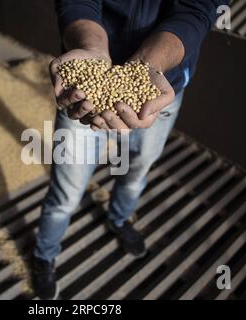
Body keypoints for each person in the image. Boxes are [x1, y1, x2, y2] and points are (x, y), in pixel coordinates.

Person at [32, 0, 229, 300]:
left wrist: (150, 63)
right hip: (82, 87)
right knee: (67, 187)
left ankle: (119, 219)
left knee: (138, 168)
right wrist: (90, 45)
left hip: (159, 84)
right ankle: (44, 254)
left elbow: (197, 9)